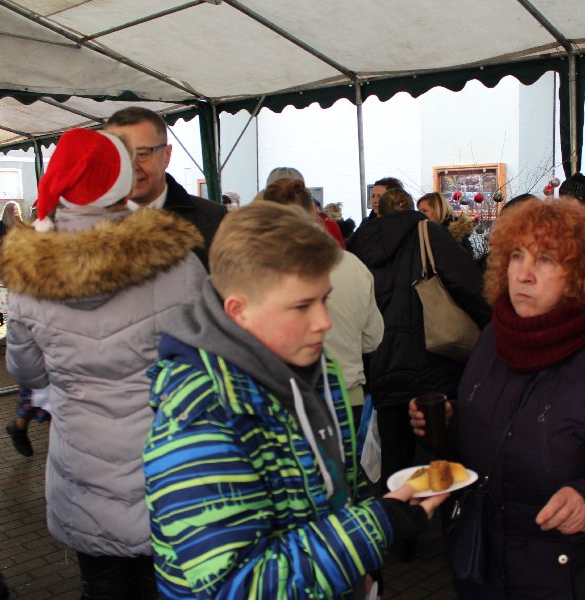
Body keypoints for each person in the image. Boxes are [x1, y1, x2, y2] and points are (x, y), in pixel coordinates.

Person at [142, 202, 447, 598]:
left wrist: (366, 571)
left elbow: (337, 480)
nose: (324, 322)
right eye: (302, 306)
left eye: (324, 299)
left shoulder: (314, 367)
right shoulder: (200, 417)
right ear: (239, 311)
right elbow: (237, 587)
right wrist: (378, 526)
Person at [410, 198, 585, 599]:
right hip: (483, 569)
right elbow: (492, 440)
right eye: (516, 256)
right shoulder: (494, 337)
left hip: (571, 580)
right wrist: (450, 426)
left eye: (544, 260)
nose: (522, 274)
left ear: (581, 273)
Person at [1, 128, 208, 599]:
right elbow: (206, 359)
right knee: (168, 587)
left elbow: (27, 374)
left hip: (82, 465)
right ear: (120, 180)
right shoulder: (177, 261)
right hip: (165, 465)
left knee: (101, 587)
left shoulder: (28, 275)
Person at [349, 187, 491, 493]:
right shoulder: (429, 233)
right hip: (435, 367)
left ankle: (398, 520)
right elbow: (472, 288)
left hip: (384, 369)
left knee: (395, 469)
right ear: (411, 207)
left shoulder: (359, 245)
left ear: (380, 210)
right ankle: (442, 519)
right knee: (442, 470)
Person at [258, 178, 384, 425]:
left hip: (285, 400)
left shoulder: (261, 268)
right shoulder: (352, 265)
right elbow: (373, 338)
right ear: (314, 212)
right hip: (347, 393)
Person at [105, 106, 226, 271]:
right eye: (120, 155)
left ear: (167, 155)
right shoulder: (88, 224)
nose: (131, 167)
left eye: (142, 154)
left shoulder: (214, 221)